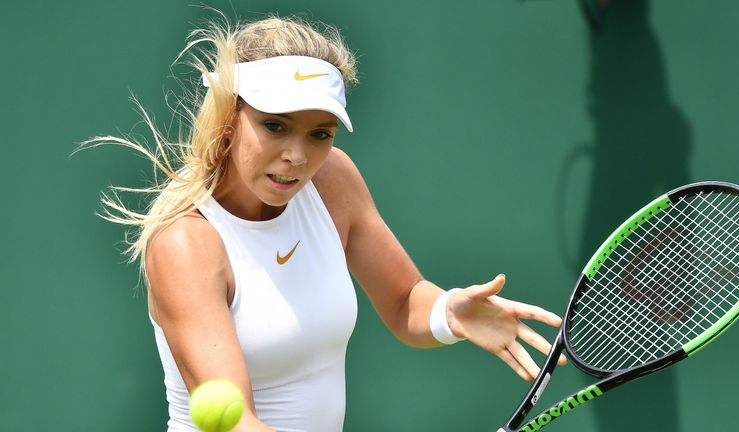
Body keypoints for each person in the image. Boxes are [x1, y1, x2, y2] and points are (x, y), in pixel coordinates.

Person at [86, 14, 566, 432]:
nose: (297, 156)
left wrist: (447, 313)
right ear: (230, 117)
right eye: (275, 125)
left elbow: (403, 302)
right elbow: (234, 423)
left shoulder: (333, 180)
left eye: (320, 133)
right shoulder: (186, 243)